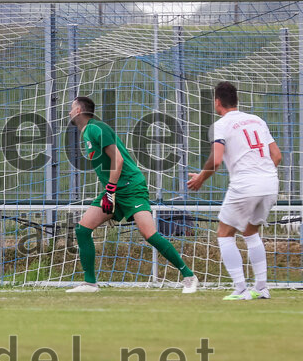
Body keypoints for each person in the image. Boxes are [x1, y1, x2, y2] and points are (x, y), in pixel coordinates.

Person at [66, 96, 198, 294]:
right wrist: (111, 194)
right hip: (114, 189)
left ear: (78, 111)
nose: (68, 111)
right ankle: (90, 283)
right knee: (83, 230)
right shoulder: (87, 132)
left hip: (130, 186)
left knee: (149, 234)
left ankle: (189, 276)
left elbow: (117, 160)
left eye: (71, 108)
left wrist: (110, 191)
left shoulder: (96, 128)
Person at [188, 82, 279, 300]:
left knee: (224, 234)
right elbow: (276, 156)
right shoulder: (257, 120)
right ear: (236, 100)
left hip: (246, 184)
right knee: (251, 232)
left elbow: (216, 160)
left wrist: (200, 177)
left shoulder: (221, 124)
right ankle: (261, 287)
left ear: (217, 102)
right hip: (270, 183)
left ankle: (241, 290)